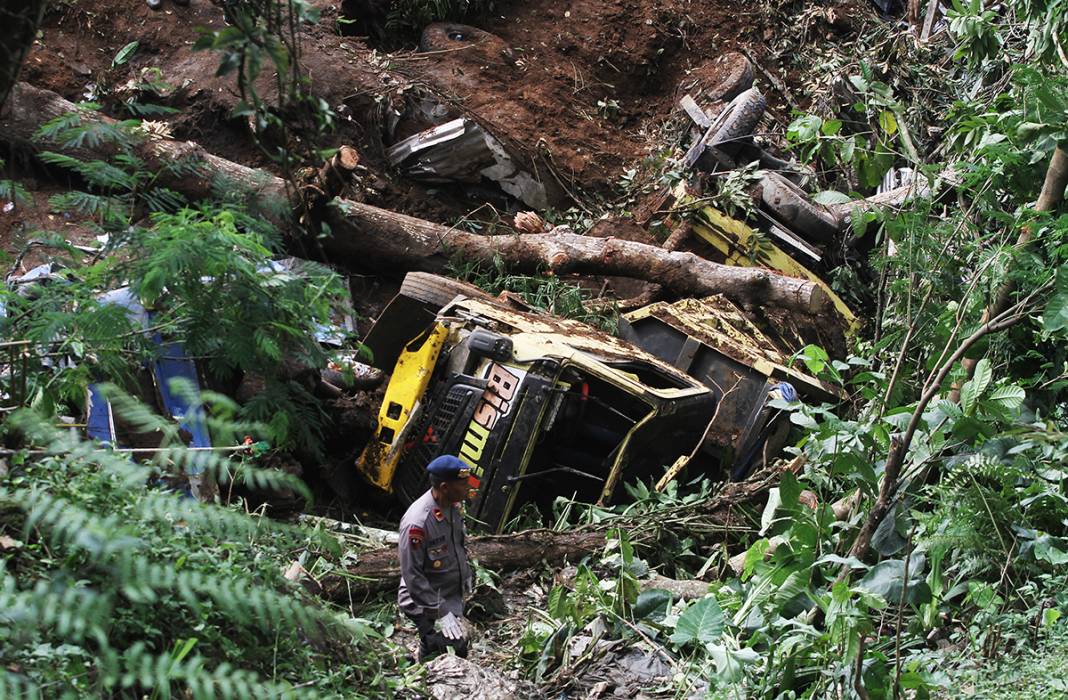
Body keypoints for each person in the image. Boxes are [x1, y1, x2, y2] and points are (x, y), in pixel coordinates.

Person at [397, 454, 474, 661]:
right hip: (422, 600)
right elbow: (412, 575)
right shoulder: (417, 523)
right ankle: (424, 676)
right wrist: (440, 611)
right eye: (463, 484)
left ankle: (425, 653)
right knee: (455, 649)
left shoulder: (452, 506)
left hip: (446, 592)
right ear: (445, 487)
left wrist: (465, 574)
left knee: (453, 644)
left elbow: (457, 544)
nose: (468, 487)